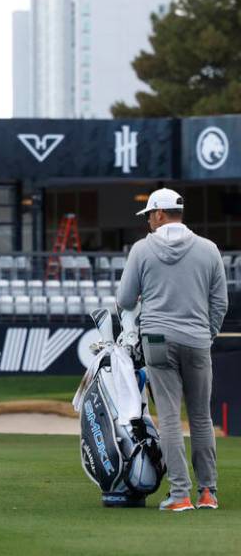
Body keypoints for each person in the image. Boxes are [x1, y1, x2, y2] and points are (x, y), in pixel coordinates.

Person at [116, 188, 228, 512]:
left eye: (150, 215)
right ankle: (208, 493)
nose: (149, 221)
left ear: (160, 214)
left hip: (156, 340)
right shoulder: (208, 249)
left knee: (168, 417)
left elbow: (124, 301)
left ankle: (180, 495)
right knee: (201, 418)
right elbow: (220, 302)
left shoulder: (141, 250)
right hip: (196, 340)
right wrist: (206, 334)